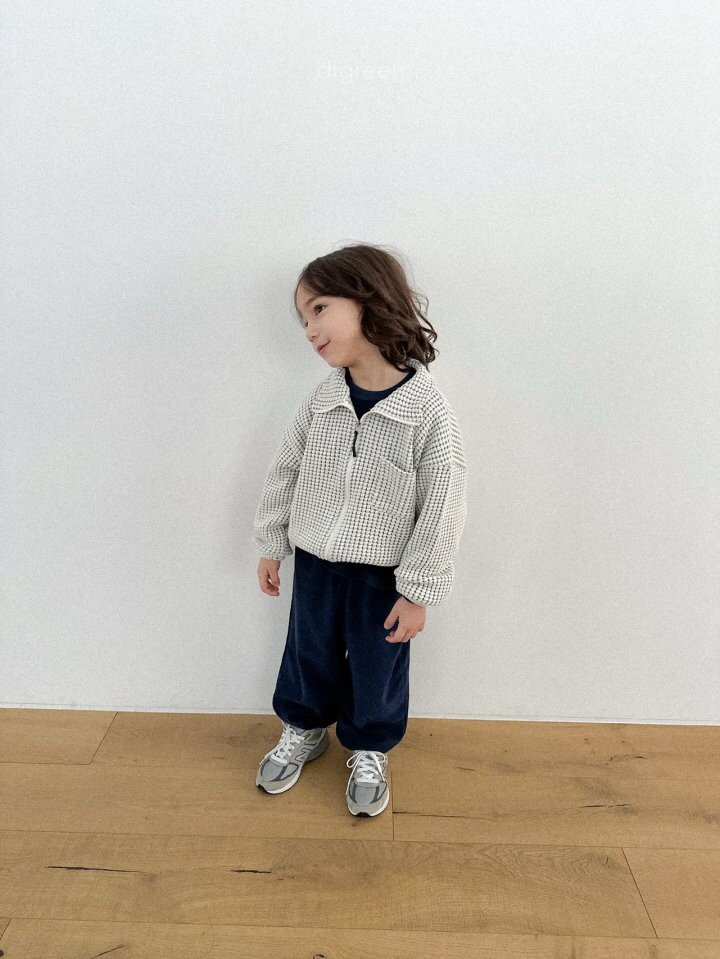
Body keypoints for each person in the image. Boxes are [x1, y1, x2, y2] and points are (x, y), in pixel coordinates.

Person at [251, 243, 468, 817]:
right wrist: (272, 543)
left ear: (368, 298)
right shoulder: (322, 399)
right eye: (303, 318)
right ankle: (303, 729)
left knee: (377, 666)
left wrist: (418, 591)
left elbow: (442, 504)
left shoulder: (426, 410)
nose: (308, 329)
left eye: (318, 309)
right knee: (308, 653)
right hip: (316, 559)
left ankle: (369, 746)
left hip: (383, 574)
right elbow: (285, 469)